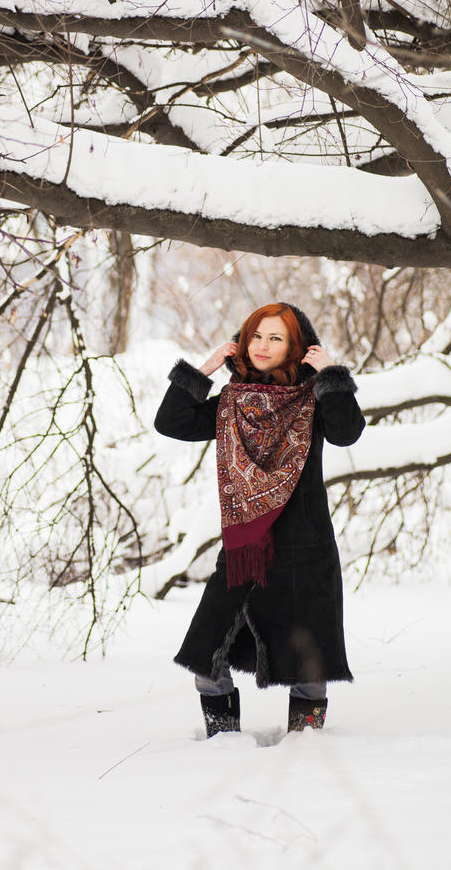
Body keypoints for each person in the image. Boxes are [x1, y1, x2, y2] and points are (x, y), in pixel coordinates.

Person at [154, 303, 365, 737]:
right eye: (256, 336)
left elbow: (347, 433)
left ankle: (307, 745)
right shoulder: (231, 403)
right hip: (245, 550)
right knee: (205, 661)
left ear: (296, 348)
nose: (262, 346)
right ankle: (222, 742)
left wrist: (332, 376)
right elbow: (171, 422)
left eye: (275, 338)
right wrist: (204, 370)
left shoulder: (313, 398)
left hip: (305, 552)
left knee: (310, 670)